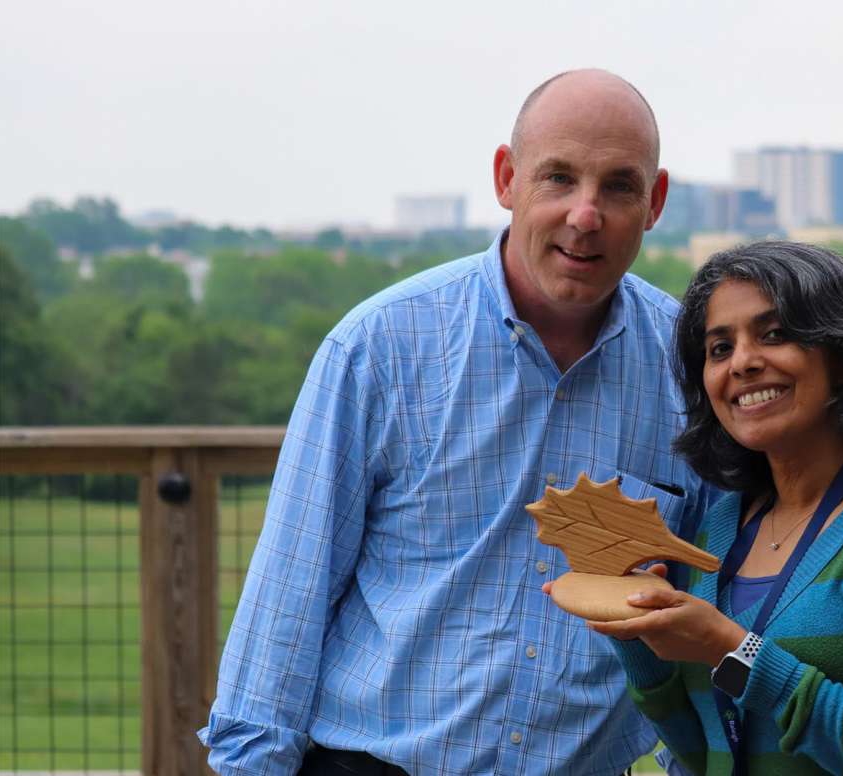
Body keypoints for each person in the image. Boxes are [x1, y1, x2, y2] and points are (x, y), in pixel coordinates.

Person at [199, 69, 715, 775]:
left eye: (619, 186)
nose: (585, 214)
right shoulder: (378, 348)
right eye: (557, 179)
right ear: (507, 179)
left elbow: (711, 612)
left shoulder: (694, 372)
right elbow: (290, 595)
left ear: (655, 202)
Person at [566, 242, 843, 775]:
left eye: (774, 335)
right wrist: (635, 638)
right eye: (719, 349)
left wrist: (728, 646)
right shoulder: (720, 528)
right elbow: (704, 753)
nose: (742, 362)